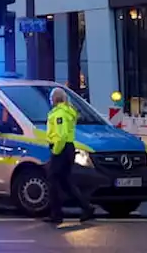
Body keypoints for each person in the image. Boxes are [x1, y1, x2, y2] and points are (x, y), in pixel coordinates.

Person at [46, 87, 95, 224]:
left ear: (55, 99)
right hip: (69, 148)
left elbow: (60, 136)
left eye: (51, 99)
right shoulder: (68, 112)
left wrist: (55, 151)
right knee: (65, 181)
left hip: (61, 149)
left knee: (53, 181)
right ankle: (86, 207)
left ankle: (56, 214)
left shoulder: (59, 114)